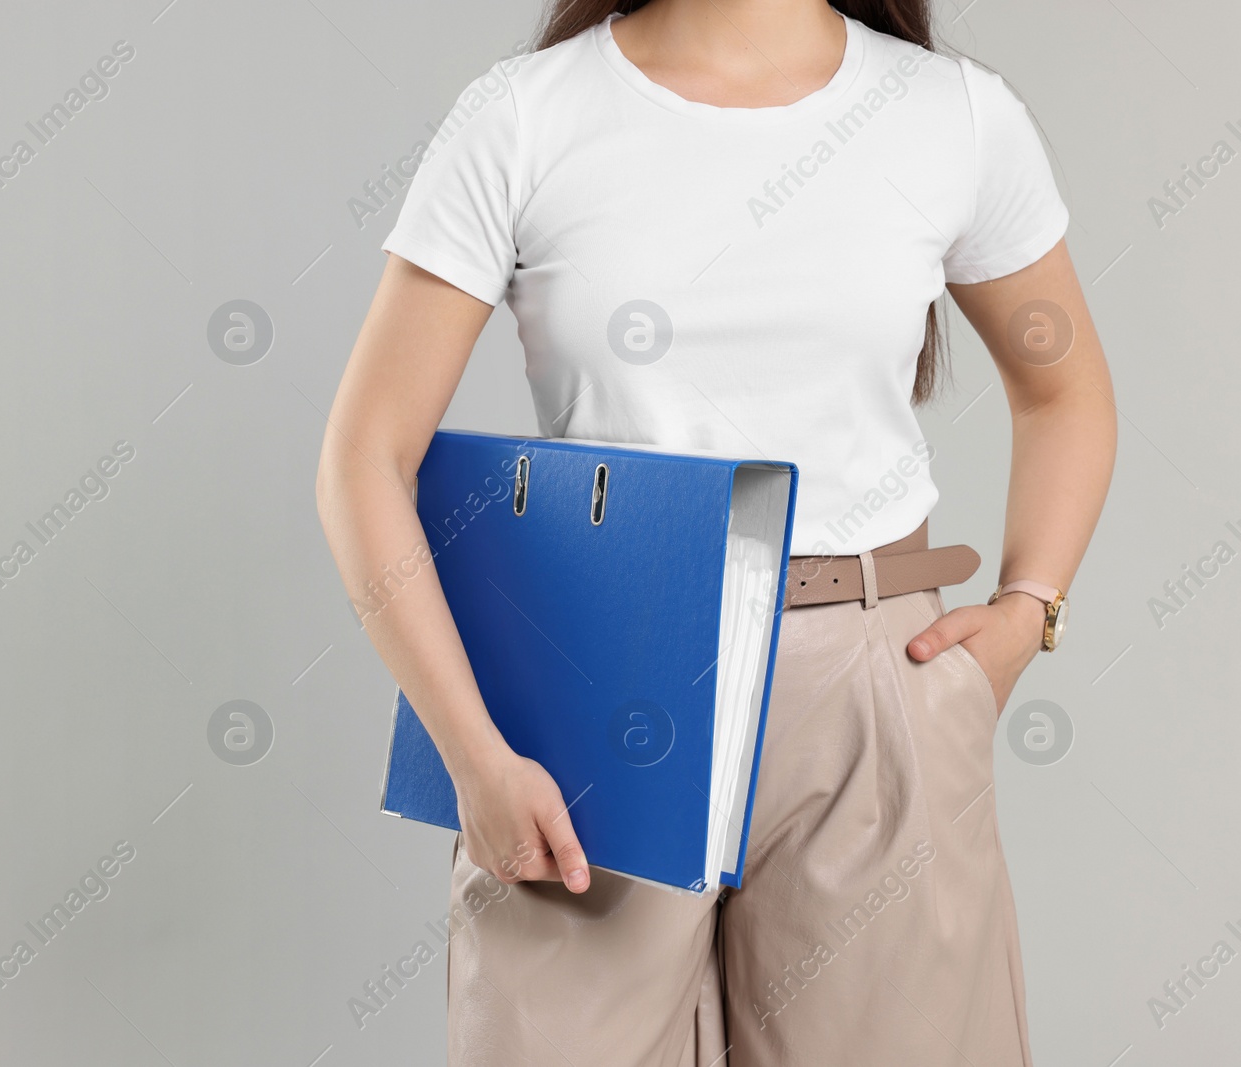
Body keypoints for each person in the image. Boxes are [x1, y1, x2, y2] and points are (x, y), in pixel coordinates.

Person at [315, 0, 1115, 1063]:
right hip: (592, 692)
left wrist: (1028, 612)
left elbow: (1065, 395)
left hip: (870, 674)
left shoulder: (950, 114)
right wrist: (474, 753)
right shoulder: (524, 117)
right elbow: (364, 457)